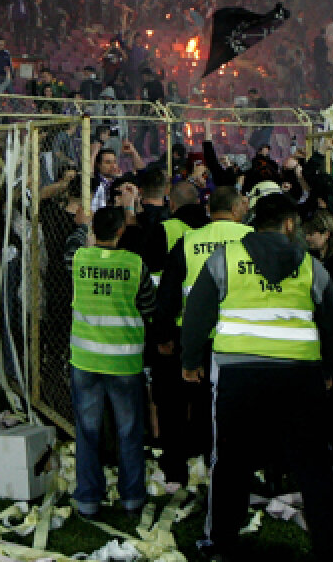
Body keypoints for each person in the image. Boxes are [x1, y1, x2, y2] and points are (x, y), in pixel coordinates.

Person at [182, 194, 333, 562]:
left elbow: (197, 312)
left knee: (230, 461)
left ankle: (220, 544)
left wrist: (190, 360)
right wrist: (327, 370)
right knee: (314, 463)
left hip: (238, 376)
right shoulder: (309, 265)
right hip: (300, 376)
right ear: (290, 225)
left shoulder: (224, 258)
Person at [151, 186, 250, 488]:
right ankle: (224, 470)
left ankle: (176, 472)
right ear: (237, 210)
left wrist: (165, 335)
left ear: (209, 211)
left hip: (190, 337)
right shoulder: (250, 239)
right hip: (236, 338)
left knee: (176, 408)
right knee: (227, 411)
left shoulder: (189, 241)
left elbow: (168, 294)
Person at [64, 205, 157, 517]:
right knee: (129, 432)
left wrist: (82, 226)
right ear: (121, 231)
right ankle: (132, 499)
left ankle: (88, 500)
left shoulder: (79, 259)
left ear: (94, 233)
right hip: (124, 362)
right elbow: (148, 305)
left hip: (86, 360)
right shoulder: (135, 264)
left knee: (88, 431)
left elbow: (70, 247)